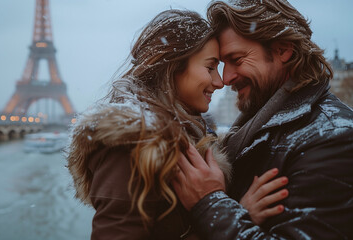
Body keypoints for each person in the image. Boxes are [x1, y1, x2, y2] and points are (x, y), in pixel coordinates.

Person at [66, 9, 288, 240]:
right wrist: (237, 217)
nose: (220, 81)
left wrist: (229, 213)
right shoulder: (130, 145)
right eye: (210, 67)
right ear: (173, 68)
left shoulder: (175, 138)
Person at [172, 0, 353, 239]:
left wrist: (209, 204)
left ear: (282, 50)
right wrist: (239, 210)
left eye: (237, 59)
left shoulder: (332, 137)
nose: (226, 78)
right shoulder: (256, 128)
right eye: (222, 65)